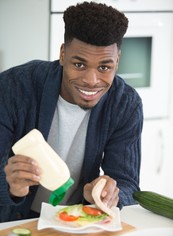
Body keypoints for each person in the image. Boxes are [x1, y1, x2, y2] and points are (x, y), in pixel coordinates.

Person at [0, 1, 143, 222]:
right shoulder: (13, 87)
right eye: (79, 64)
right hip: (12, 223)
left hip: (77, 223)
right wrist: (9, 185)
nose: (91, 80)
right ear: (63, 54)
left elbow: (127, 185)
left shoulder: (125, 104)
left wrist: (109, 194)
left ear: (117, 61)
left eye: (104, 67)